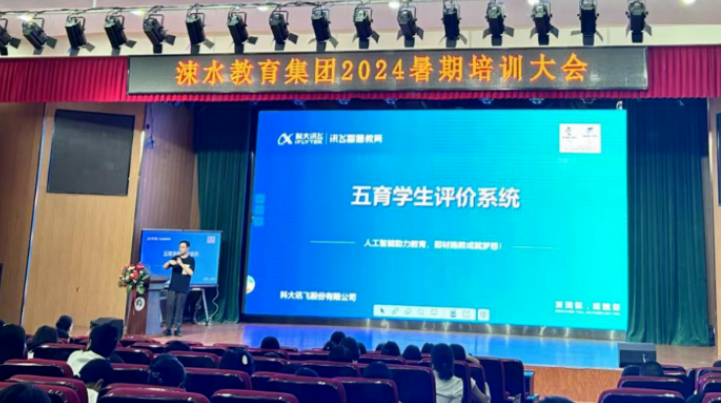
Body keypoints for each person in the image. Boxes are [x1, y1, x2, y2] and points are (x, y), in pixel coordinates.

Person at [163, 240, 196, 337]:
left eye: (182, 247)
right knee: (169, 307)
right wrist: (169, 262)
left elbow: (191, 273)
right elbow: (165, 267)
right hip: (173, 287)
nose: (180, 249)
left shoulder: (191, 260)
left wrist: (181, 264)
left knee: (179, 309)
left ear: (187, 248)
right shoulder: (175, 257)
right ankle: (168, 329)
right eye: (180, 247)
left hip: (183, 288)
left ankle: (177, 329)